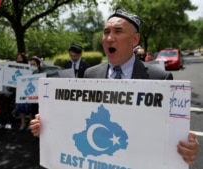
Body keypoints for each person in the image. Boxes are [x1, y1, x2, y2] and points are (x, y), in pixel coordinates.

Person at [30, 7, 199, 165]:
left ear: (135, 40)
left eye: (118, 31)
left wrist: (187, 148)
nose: (109, 38)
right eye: (106, 32)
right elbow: (78, 119)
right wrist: (48, 126)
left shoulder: (160, 79)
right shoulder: (90, 74)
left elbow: (170, 133)